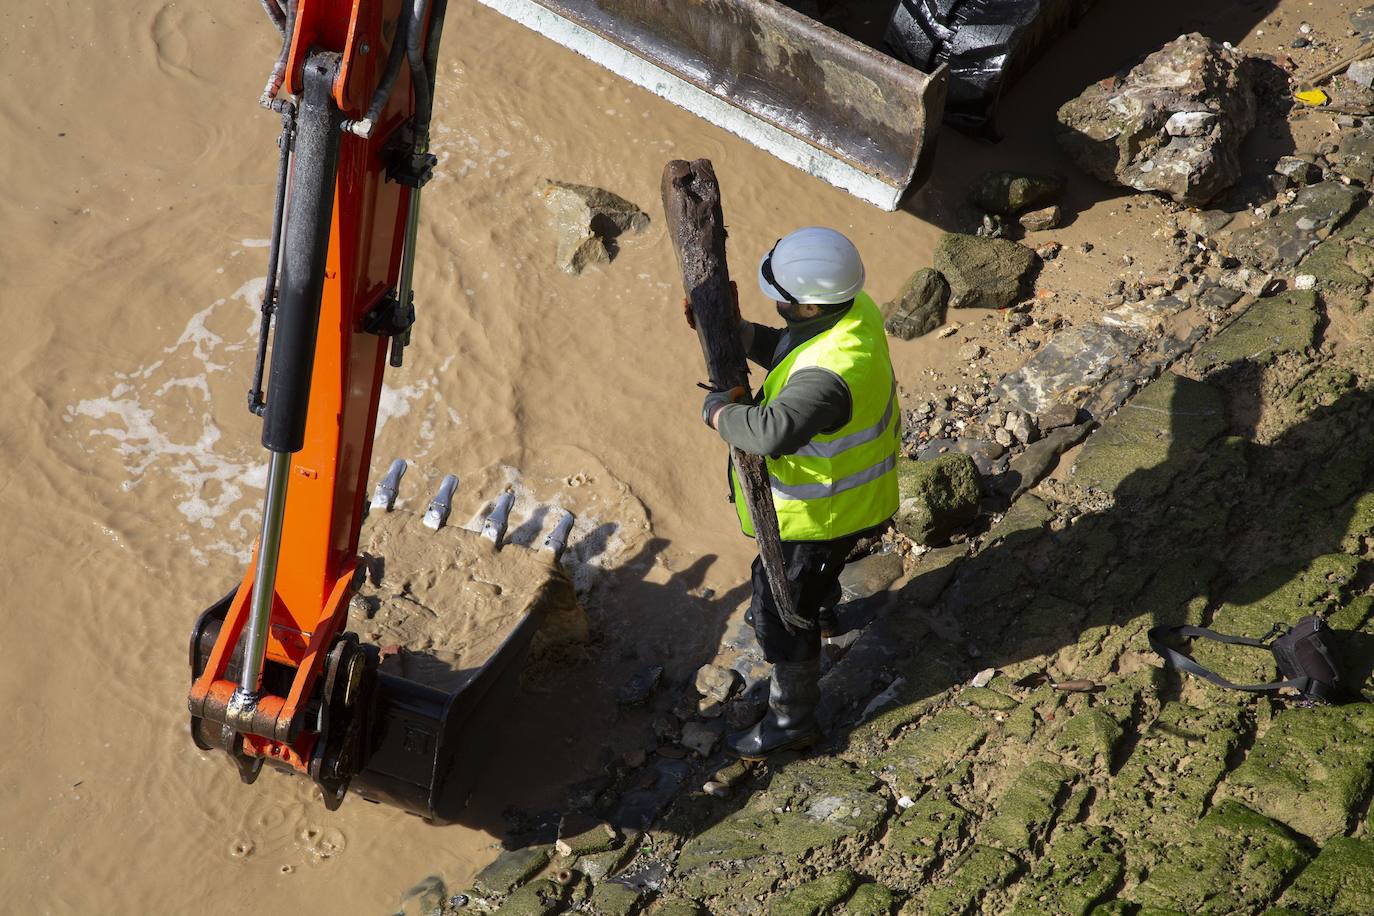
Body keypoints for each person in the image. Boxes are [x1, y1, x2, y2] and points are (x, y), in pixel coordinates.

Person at [695, 227, 901, 760]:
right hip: (850, 504)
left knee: (780, 608)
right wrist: (738, 333)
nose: (779, 304)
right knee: (816, 577)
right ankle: (825, 609)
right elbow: (794, 350)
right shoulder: (851, 312)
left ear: (809, 304)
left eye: (784, 298)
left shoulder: (831, 374)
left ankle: (792, 718)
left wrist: (718, 411)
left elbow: (769, 432)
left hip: (820, 514)